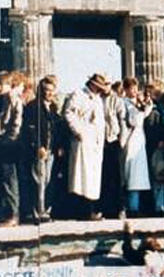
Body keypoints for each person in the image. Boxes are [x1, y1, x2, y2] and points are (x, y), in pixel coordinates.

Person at [64, 73, 108, 221]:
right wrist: (79, 131)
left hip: (96, 141)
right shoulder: (78, 95)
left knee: (93, 177)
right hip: (84, 138)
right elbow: (69, 113)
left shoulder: (97, 99)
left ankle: (91, 209)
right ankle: (83, 210)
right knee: (82, 176)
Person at [0, 71, 26, 226]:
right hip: (1, 142)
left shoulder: (13, 100)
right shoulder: (3, 100)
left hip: (9, 144)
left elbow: (16, 122)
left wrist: (10, 139)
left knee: (10, 180)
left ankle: (13, 214)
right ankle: (7, 213)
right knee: (4, 180)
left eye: (0, 84)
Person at [20, 76, 59, 223]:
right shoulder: (33, 106)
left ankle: (44, 209)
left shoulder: (53, 107)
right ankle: (38, 211)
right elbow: (30, 129)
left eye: (50, 90)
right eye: (45, 90)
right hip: (39, 150)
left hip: (51, 150)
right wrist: (38, 146)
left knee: (47, 180)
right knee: (38, 181)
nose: (48, 93)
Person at [121, 77, 152, 216]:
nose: (134, 91)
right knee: (131, 174)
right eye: (131, 88)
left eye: (135, 88)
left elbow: (144, 115)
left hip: (139, 138)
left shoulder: (137, 103)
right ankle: (131, 207)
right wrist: (140, 109)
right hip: (131, 138)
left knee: (138, 176)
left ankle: (136, 206)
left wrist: (147, 105)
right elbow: (133, 120)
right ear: (126, 90)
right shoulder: (124, 103)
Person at [100, 79, 129, 219]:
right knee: (103, 177)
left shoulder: (116, 100)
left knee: (118, 177)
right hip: (100, 142)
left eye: (106, 84)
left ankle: (120, 208)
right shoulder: (97, 99)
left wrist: (122, 141)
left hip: (114, 140)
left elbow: (122, 121)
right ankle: (106, 208)